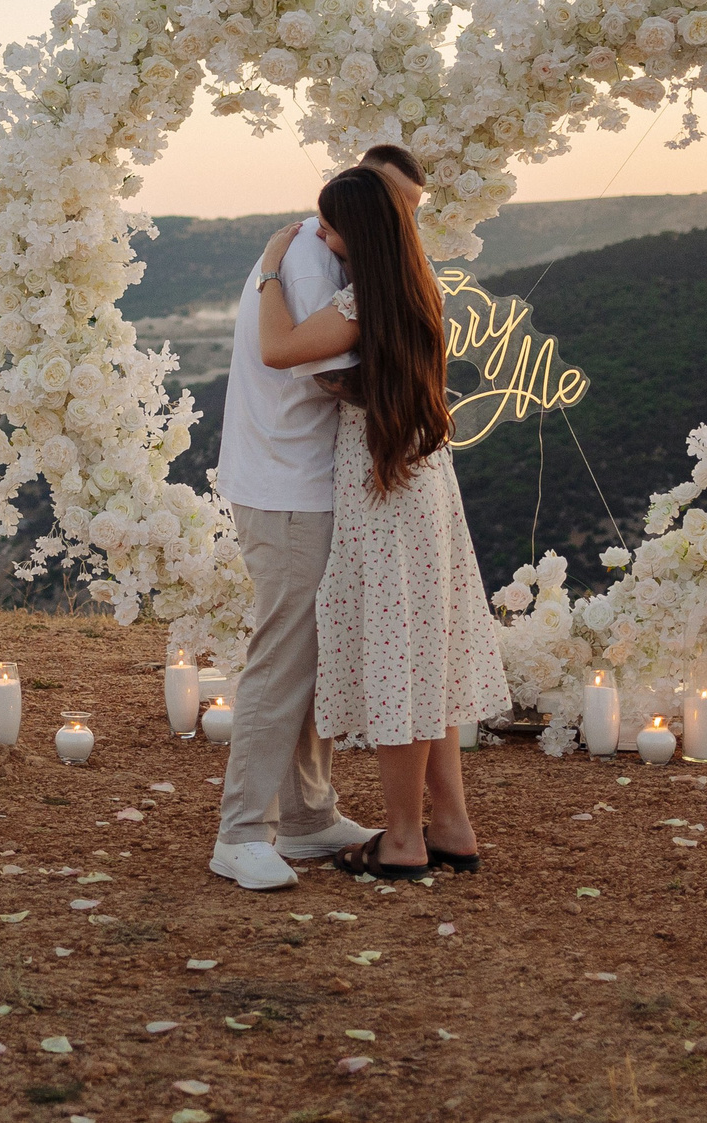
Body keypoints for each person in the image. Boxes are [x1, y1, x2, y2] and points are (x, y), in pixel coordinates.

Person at [254, 162, 510, 879]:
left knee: (401, 659)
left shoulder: (362, 296)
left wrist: (273, 267)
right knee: (427, 656)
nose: (322, 233)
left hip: (383, 495)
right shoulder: (412, 284)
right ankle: (452, 824)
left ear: (357, 232)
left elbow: (276, 349)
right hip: (425, 482)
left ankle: (402, 837)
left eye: (330, 223)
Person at [206, 144, 427, 891]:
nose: (403, 222)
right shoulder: (307, 262)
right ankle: (240, 832)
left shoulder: (333, 259)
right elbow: (327, 371)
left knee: (312, 652)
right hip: (285, 485)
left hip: (305, 479)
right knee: (284, 654)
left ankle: (305, 817)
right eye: (393, 205)